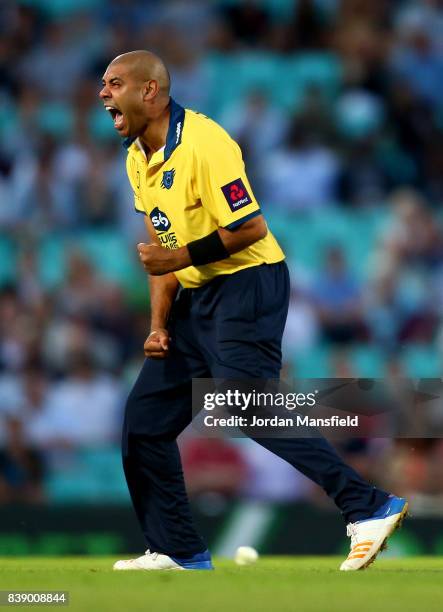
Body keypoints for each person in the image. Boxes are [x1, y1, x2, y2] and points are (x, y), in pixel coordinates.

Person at [99, 50, 408, 572]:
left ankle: (368, 505)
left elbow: (250, 228)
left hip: (249, 282)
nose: (103, 93)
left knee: (245, 403)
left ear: (150, 90)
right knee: (145, 421)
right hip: (196, 299)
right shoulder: (137, 157)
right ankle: (178, 550)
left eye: (114, 83)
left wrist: (176, 257)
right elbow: (160, 252)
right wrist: (157, 325)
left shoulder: (205, 142)